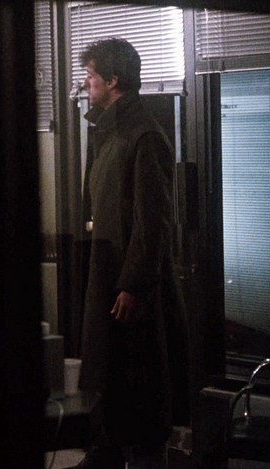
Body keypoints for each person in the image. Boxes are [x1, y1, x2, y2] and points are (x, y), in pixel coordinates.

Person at [75, 38, 188, 468]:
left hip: (129, 284)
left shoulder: (142, 136)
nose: (85, 84)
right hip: (111, 274)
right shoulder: (111, 132)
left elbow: (153, 220)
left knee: (141, 384)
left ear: (112, 80)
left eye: (90, 76)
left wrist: (134, 284)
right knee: (114, 378)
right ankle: (107, 448)